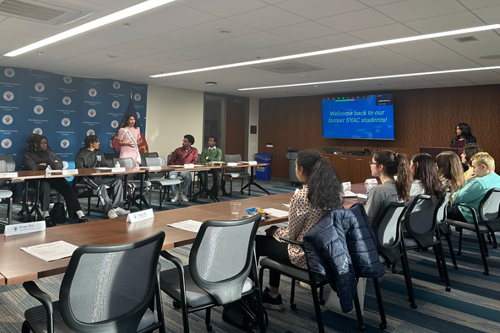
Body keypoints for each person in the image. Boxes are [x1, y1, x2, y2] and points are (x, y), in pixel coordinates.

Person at [255, 149, 343, 310]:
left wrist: (274, 231)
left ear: (301, 170)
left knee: (258, 242)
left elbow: (291, 235)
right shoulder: (334, 193)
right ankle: (272, 294)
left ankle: (253, 295)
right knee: (273, 241)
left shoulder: (302, 196)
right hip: (326, 254)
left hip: (305, 255)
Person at [23, 134, 88, 226]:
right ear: (35, 144)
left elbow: (59, 165)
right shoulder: (28, 155)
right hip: (39, 180)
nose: (46, 145)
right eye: (43, 143)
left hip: (55, 179)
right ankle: (46, 214)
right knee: (45, 186)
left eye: (46, 143)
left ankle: (79, 213)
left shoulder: (50, 153)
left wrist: (44, 165)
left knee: (67, 187)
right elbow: (32, 167)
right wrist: (51, 164)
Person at [75, 135, 129, 219]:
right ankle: (109, 210)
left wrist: (112, 168)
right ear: (91, 143)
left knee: (117, 181)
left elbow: (104, 165)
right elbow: (80, 169)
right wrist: (93, 172)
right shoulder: (81, 154)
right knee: (102, 186)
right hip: (86, 179)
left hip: (99, 178)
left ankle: (117, 207)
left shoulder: (99, 152)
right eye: (97, 142)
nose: (99, 143)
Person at [448, 152, 500, 223]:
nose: (473, 170)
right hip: (491, 217)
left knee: (437, 208)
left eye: (474, 167)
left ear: (483, 167)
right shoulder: (498, 179)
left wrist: (466, 181)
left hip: (471, 215)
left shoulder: (479, 182)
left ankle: (443, 232)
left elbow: (456, 198)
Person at [364, 150, 411, 224]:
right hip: (393, 234)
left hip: (375, 234)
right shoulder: (402, 188)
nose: (370, 165)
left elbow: (367, 222)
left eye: (372, 163)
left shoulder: (378, 191)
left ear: (380, 167)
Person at [168, 134, 198, 202]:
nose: (183, 143)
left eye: (185, 141)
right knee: (171, 176)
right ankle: (175, 194)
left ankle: (184, 193)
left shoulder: (194, 150)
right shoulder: (178, 150)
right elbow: (171, 161)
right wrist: (175, 166)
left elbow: (194, 161)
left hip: (185, 169)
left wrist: (188, 166)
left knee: (188, 177)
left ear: (190, 143)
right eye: (183, 141)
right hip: (176, 168)